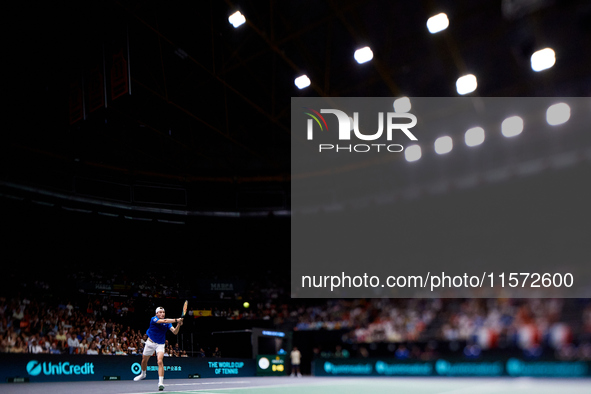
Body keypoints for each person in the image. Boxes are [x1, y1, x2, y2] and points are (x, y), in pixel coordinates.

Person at [133, 307, 183, 391]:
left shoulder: (168, 323)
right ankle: (143, 374)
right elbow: (165, 321)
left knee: (160, 361)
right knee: (144, 361)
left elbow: (174, 332)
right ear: (156, 314)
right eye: (160, 312)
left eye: (163, 312)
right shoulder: (154, 319)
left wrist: (178, 325)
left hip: (160, 344)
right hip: (150, 343)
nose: (162, 313)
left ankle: (160, 383)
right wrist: (177, 320)